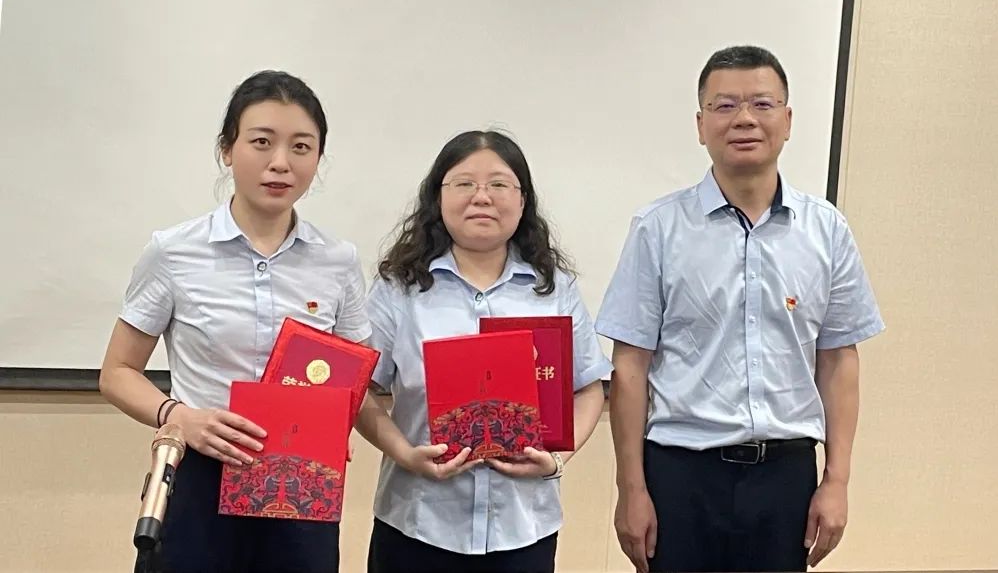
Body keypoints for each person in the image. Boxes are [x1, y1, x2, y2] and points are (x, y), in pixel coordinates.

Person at [597, 45, 885, 573]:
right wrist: (630, 488)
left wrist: (837, 480)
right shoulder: (657, 229)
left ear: (788, 120)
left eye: (762, 104)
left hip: (786, 478)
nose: (745, 119)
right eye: (725, 106)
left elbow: (839, 360)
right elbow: (630, 366)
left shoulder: (826, 230)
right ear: (701, 125)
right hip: (680, 475)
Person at [98, 70, 370, 572]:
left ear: (318, 159)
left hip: (301, 482)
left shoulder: (338, 260)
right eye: (262, 142)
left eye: (301, 147)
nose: (281, 162)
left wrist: (338, 426)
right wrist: (180, 417)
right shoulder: (174, 251)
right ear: (227, 149)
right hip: (200, 475)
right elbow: (117, 373)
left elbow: (354, 375)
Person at [354, 130, 612, 573]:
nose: (482, 197)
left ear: (523, 200)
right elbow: (360, 390)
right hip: (418, 521)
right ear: (438, 197)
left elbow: (588, 388)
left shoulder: (552, 289)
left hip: (523, 524)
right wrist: (404, 454)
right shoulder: (400, 288)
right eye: (464, 183)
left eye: (498, 184)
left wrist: (556, 461)